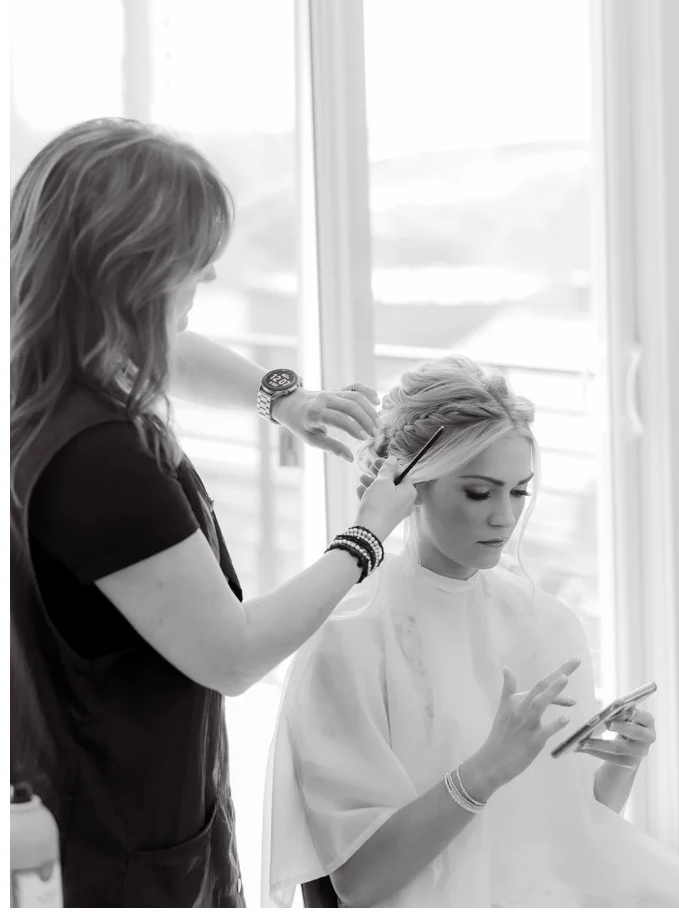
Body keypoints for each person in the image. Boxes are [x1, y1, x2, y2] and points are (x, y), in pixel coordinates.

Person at [10, 118, 417, 906]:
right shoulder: (103, 460)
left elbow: (165, 350)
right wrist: (369, 531)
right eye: (193, 266)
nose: (209, 283)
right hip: (122, 846)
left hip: (84, 795)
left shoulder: (41, 375)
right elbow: (235, 653)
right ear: (131, 274)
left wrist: (283, 398)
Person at [263, 355, 679, 907]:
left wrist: (621, 761)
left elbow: (571, 834)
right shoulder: (349, 642)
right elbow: (359, 883)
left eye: (518, 491)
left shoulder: (547, 621)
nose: (504, 517)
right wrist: (484, 773)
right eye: (478, 492)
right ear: (407, 484)